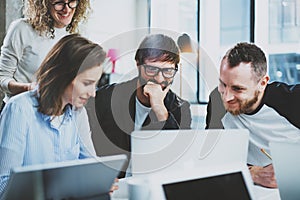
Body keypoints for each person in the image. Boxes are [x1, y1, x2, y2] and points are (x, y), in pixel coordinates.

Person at [0, 34, 107, 198]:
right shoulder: (19, 110)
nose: (93, 93)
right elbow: (3, 186)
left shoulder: (78, 113)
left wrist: (103, 181)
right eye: (87, 83)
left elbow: (91, 168)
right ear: (63, 76)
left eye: (95, 84)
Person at [90, 34, 192, 177]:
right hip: (109, 185)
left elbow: (178, 161)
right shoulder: (105, 98)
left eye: (168, 71)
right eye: (151, 69)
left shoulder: (181, 108)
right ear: (138, 64)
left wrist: (160, 110)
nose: (159, 79)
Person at [205, 42, 300, 188]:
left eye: (238, 89)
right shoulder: (217, 100)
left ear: (262, 83)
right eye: (223, 84)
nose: (227, 97)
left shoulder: (293, 100)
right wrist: (253, 173)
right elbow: (212, 157)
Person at [0, 0, 91, 112]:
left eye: (71, 1)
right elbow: (2, 77)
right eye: (59, 3)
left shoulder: (74, 35)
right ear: (44, 4)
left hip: (50, 115)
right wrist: (29, 88)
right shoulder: (21, 29)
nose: (67, 9)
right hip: (19, 111)